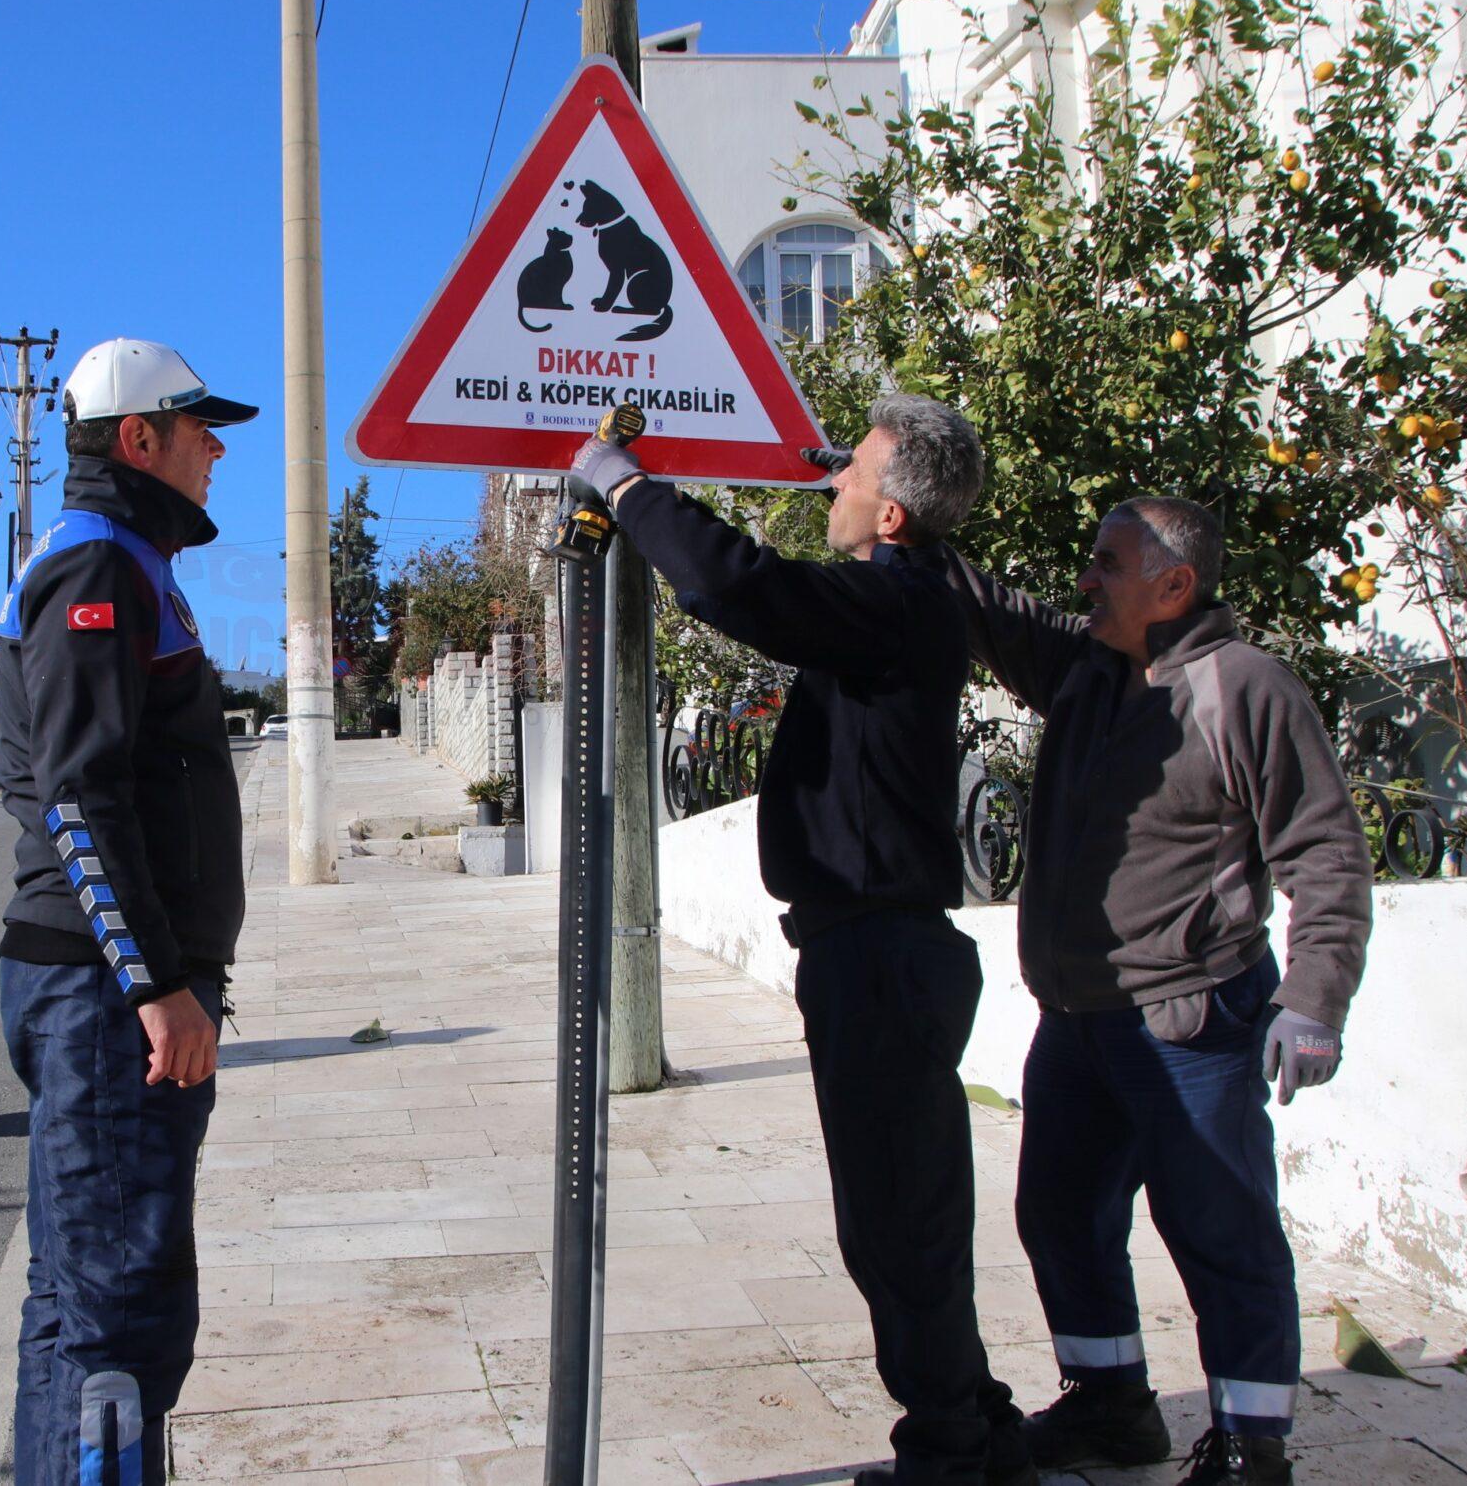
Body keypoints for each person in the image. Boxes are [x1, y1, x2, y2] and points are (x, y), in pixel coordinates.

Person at [569, 396, 1033, 1486]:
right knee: (898, 1211)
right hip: (871, 950)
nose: (834, 484)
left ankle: (952, 1453)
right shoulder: (898, 598)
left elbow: (743, 587)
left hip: (881, 954)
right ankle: (975, 1422)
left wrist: (627, 486)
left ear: (894, 519)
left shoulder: (892, 601)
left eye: (854, 473)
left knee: (897, 1220)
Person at [935, 497, 1372, 1486]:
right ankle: (1112, 1406)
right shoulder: (1086, 672)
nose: (1086, 578)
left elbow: (1325, 852)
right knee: (1057, 1213)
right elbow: (992, 609)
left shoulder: (1244, 688)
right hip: (1078, 1020)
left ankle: (1253, 1446)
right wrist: (900, 520)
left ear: (1173, 584)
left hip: (1192, 1018)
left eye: (1107, 563)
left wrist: (1313, 999)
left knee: (1221, 1231)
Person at [0, 337, 255, 1486]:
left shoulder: (126, 561)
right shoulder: (97, 566)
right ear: (137, 439)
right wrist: (155, 982)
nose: (214, 451)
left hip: (102, 990)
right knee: (121, 1314)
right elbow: (79, 792)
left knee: (76, 1298)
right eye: (199, 428)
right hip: (107, 1000)